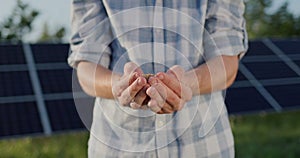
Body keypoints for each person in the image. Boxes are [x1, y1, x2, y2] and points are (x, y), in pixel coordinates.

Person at [68, 0, 248, 157]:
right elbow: (87, 70)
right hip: (118, 147)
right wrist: (119, 85)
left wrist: (186, 84)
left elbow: (227, 62)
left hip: (204, 147)